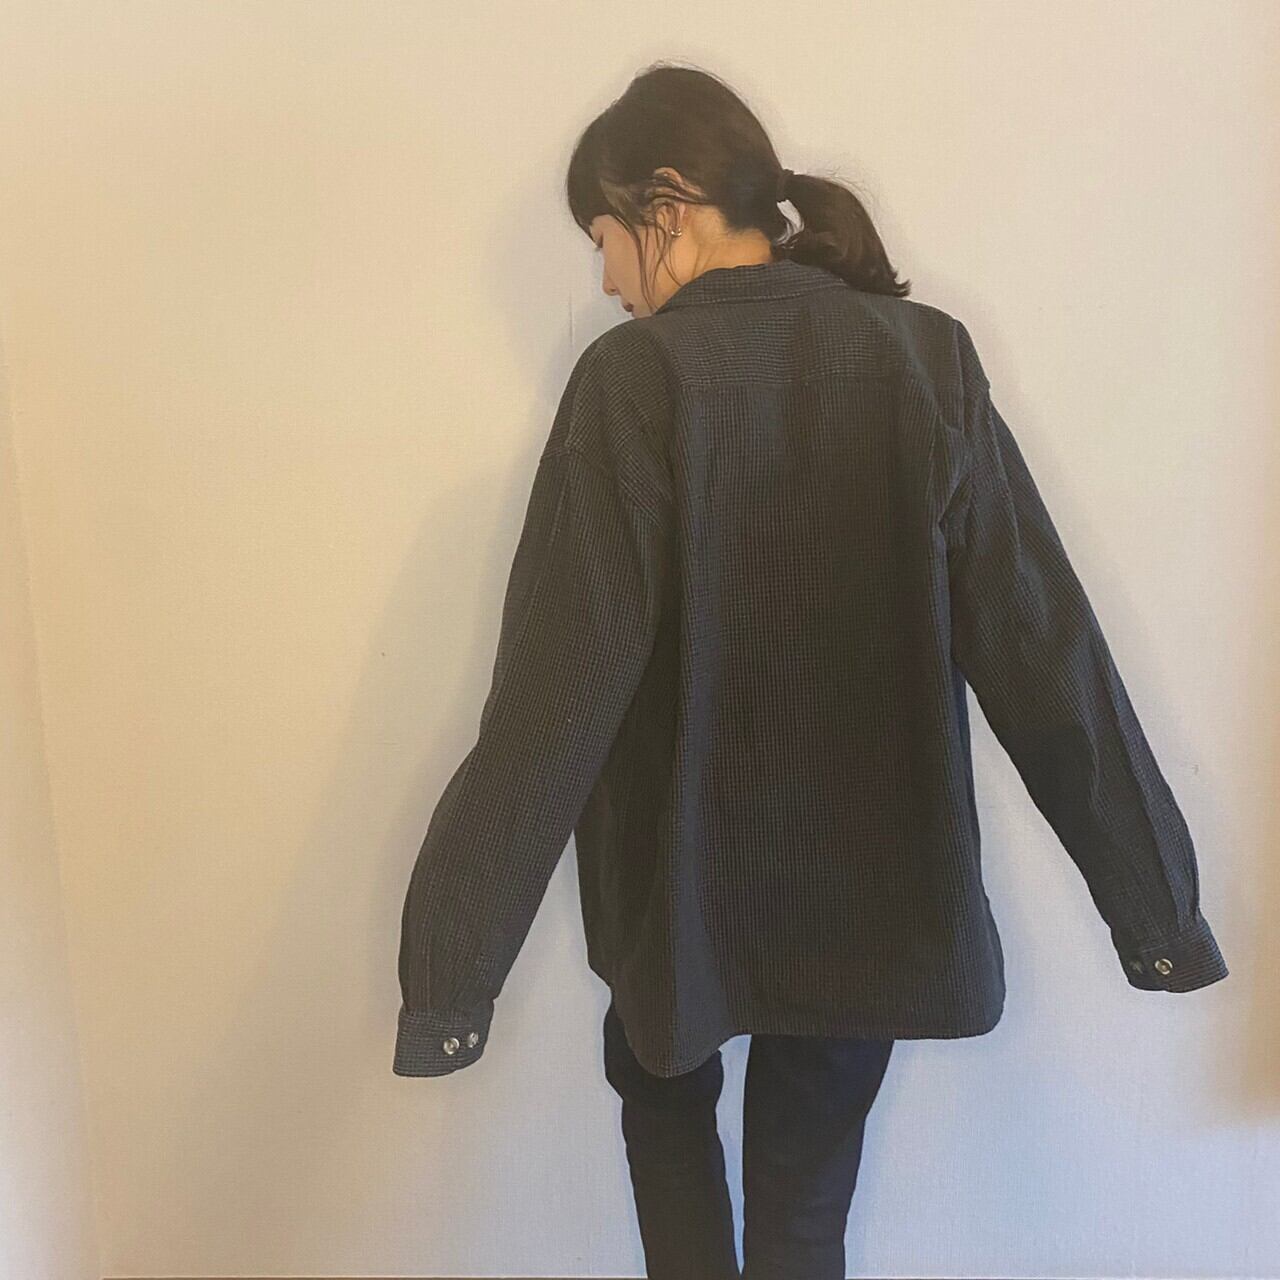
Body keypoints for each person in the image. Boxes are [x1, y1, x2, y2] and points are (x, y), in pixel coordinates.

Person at [393, 61, 1228, 1277]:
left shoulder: (633, 383)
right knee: (801, 1226)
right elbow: (1043, 650)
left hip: (672, 896)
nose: (607, 281)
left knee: (671, 1163)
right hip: (862, 897)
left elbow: (550, 703)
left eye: (602, 240)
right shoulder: (923, 363)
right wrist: (1155, 916)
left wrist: (450, 978)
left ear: (664, 204)